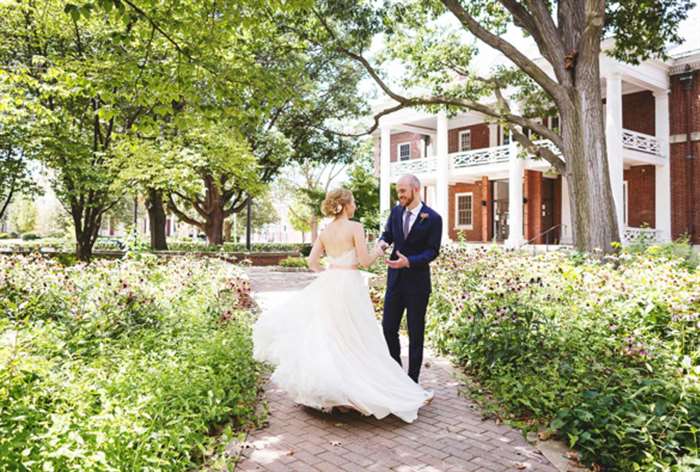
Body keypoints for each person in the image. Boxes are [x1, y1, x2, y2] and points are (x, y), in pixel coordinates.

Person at [252, 187, 433, 423]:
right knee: (355, 335)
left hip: (331, 282)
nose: (356, 205)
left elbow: (311, 261)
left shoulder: (326, 231)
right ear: (346, 205)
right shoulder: (355, 227)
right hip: (349, 284)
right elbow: (365, 261)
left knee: (333, 335)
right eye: (354, 202)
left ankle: (339, 396)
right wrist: (380, 249)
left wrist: (329, 273)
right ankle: (354, 394)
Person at [378, 174, 442, 383]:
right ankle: (397, 375)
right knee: (388, 329)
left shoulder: (433, 218)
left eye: (403, 191)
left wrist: (410, 261)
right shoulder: (396, 212)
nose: (400, 195)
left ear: (416, 189)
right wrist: (382, 244)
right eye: (398, 191)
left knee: (416, 334)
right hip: (395, 281)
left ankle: (412, 380)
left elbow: (432, 251)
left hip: (417, 284)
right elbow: (388, 234)